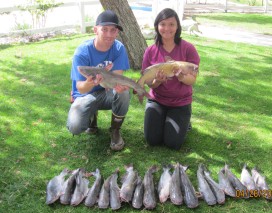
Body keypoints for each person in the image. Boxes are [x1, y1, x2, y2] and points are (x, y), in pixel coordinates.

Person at [67, 10, 130, 151]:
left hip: (106, 92)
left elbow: (116, 78)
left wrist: (118, 87)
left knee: (124, 94)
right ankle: (91, 117)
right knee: (75, 127)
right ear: (96, 30)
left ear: (117, 32)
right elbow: (80, 88)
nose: (109, 34)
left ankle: (115, 130)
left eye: (113, 30)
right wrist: (89, 83)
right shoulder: (82, 52)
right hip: (86, 94)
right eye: (104, 29)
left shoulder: (119, 48)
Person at [141, 8, 200, 150]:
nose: (167, 28)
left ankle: (185, 121)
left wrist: (181, 77)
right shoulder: (151, 50)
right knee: (152, 140)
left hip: (180, 102)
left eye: (171, 24)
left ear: (177, 26)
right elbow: (150, 84)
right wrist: (158, 81)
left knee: (172, 143)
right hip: (157, 100)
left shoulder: (188, 48)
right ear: (157, 26)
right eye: (162, 24)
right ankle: (165, 119)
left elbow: (192, 80)